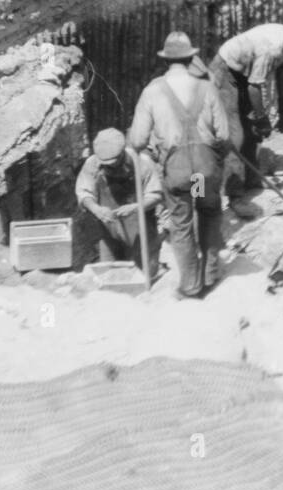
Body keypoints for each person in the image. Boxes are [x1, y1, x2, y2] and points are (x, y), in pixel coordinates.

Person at [129, 31, 230, 299]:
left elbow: (137, 140)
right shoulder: (206, 87)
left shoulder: (152, 91)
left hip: (178, 170)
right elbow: (224, 135)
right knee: (207, 213)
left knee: (182, 224)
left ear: (166, 60)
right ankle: (209, 275)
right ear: (190, 59)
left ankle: (190, 285)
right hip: (204, 170)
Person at [208, 18, 283, 209]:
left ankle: (252, 181)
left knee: (251, 131)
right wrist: (262, 119)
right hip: (226, 72)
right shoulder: (274, 47)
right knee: (236, 134)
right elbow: (255, 86)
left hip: (245, 73)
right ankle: (234, 194)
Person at [75, 128, 163, 274]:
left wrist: (135, 207)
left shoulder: (142, 162)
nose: (108, 168)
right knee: (107, 274)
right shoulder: (92, 163)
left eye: (112, 164)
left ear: (122, 154)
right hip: (109, 229)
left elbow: (156, 195)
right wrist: (96, 209)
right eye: (105, 164)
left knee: (141, 274)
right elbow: (84, 192)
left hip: (140, 229)